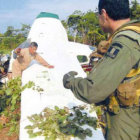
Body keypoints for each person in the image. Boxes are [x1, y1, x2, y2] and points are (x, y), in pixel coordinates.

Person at [63, 0, 140, 140]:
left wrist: (71, 82)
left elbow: (93, 91)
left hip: (127, 122)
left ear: (104, 14)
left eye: (98, 15)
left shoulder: (125, 43)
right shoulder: (136, 33)